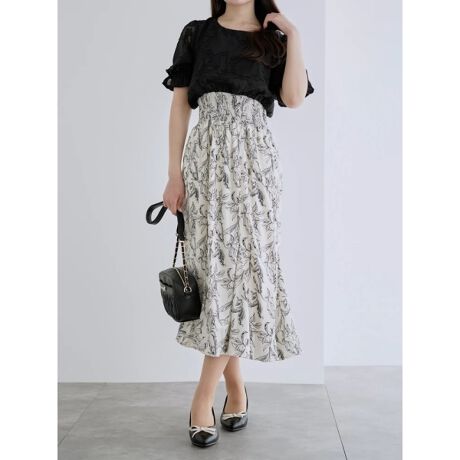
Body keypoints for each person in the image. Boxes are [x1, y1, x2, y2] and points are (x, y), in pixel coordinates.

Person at [161, 0, 314, 448]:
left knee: (244, 274)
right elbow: (180, 106)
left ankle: (203, 398)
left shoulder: (274, 40)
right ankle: (237, 389)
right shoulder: (198, 33)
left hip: (255, 166)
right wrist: (174, 174)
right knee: (216, 276)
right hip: (205, 162)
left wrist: (295, 36)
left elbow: (293, 98)